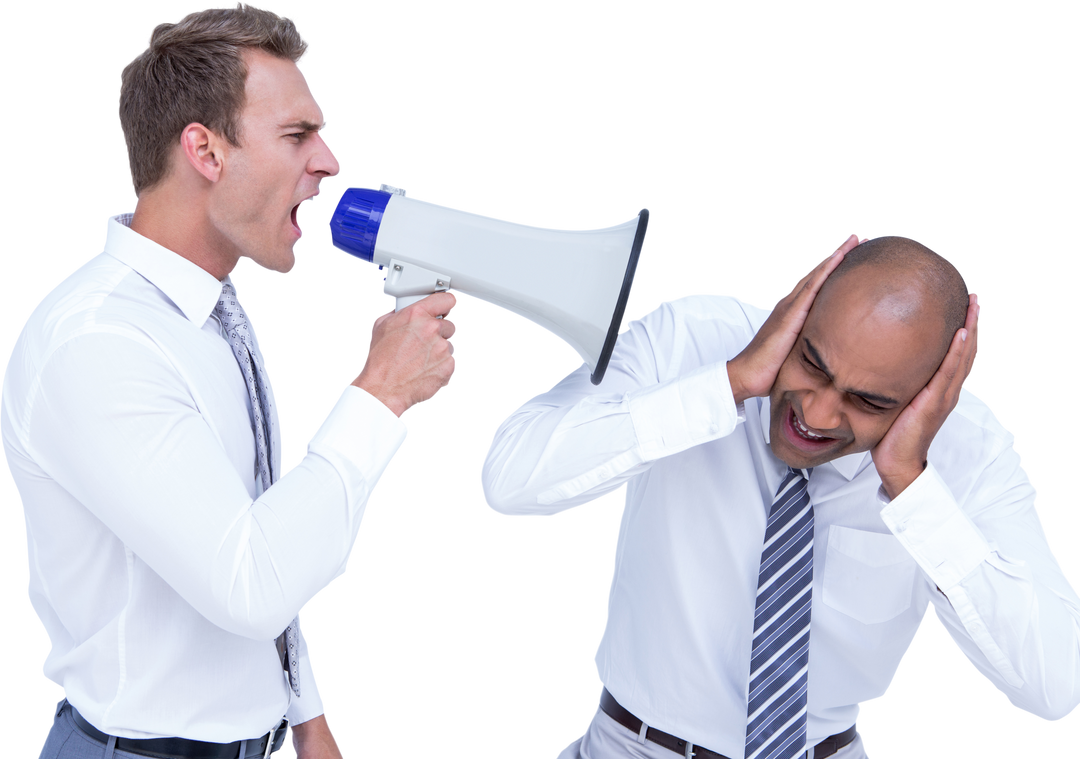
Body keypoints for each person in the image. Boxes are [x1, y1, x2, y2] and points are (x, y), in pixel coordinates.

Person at [4, 3, 458, 758]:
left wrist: (304, 710)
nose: (330, 162)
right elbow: (250, 584)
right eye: (296, 136)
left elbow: (254, 521)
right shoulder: (101, 344)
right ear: (205, 151)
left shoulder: (216, 309)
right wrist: (380, 393)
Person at [480, 231, 1080, 758]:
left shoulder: (968, 448)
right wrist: (730, 384)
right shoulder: (693, 338)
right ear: (798, 303)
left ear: (928, 394)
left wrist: (911, 483)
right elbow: (507, 481)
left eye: (869, 402)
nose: (817, 413)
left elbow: (1055, 689)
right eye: (811, 363)